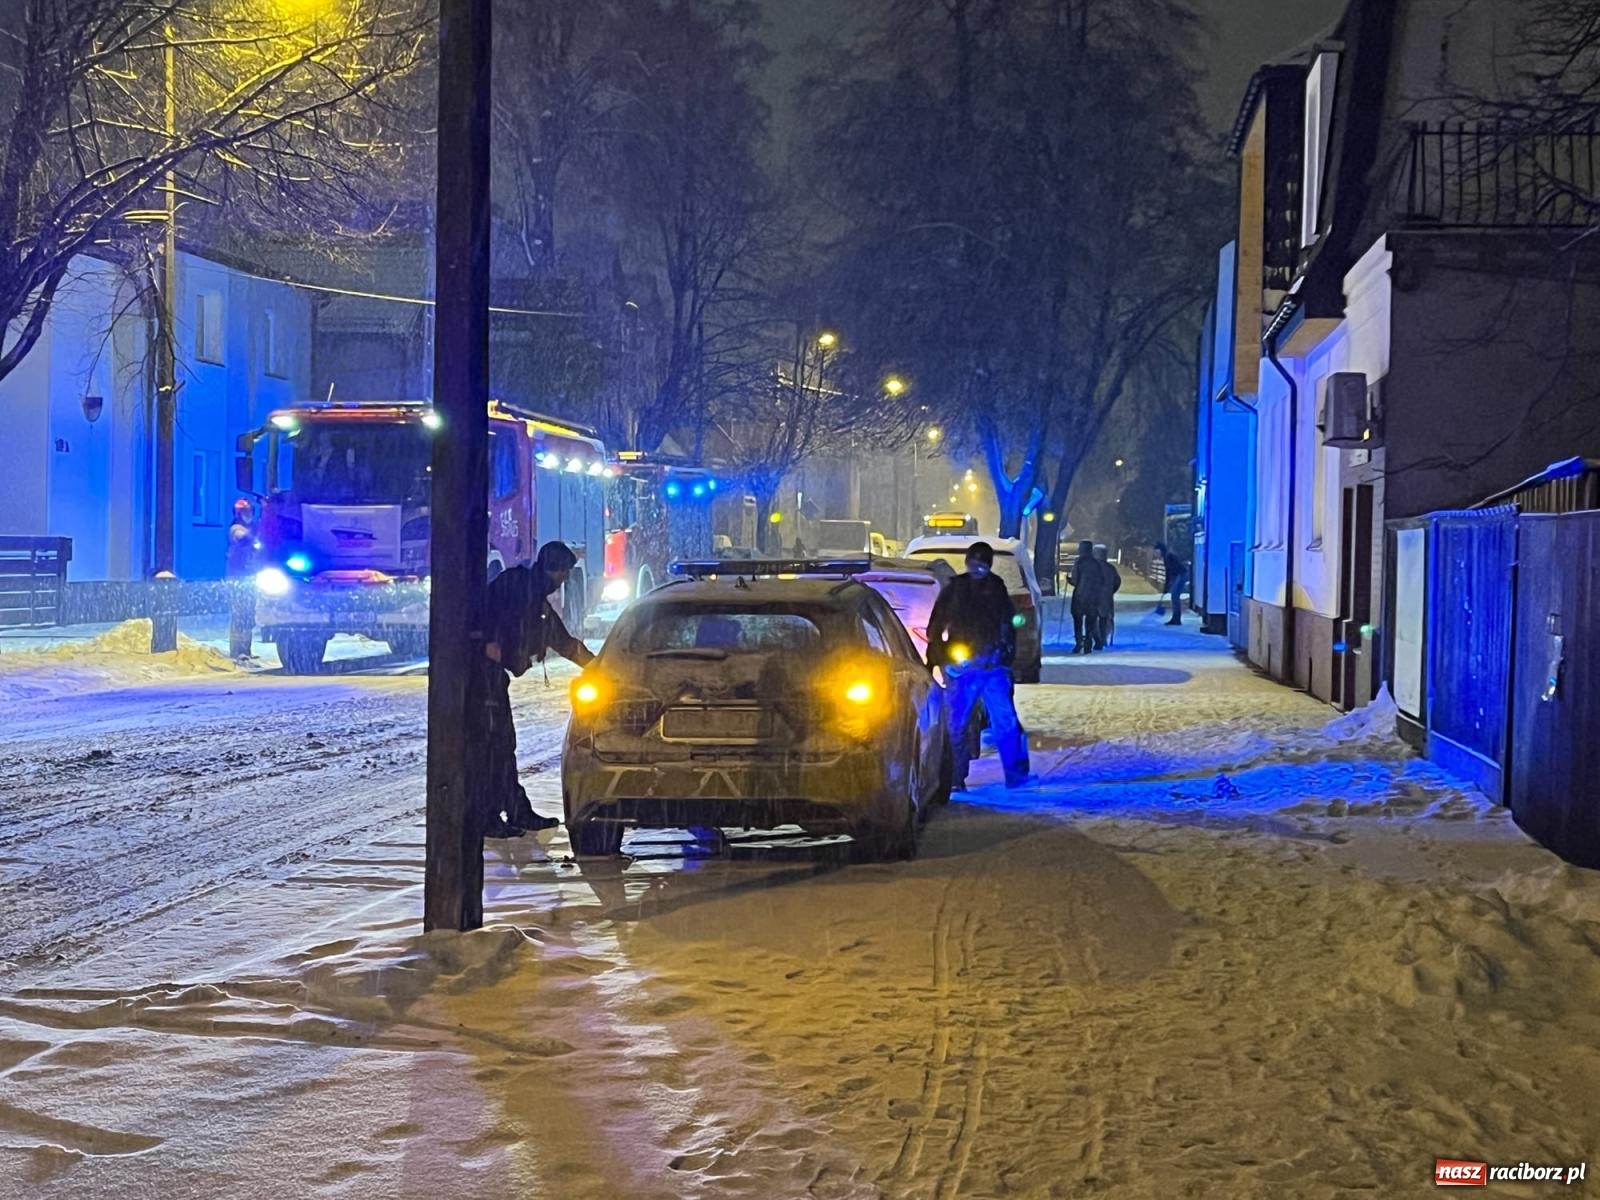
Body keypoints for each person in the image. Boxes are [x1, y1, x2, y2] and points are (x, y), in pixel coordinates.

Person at [480, 541, 596, 838]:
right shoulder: (518, 586)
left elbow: (565, 643)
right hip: (481, 677)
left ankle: (515, 810)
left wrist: (601, 668)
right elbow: (485, 612)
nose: (565, 581)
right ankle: (489, 815)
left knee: (502, 745)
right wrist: (487, 642)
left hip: (492, 676)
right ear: (553, 569)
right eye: (565, 574)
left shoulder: (535, 599)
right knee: (494, 747)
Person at [925, 542, 1032, 790]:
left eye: (982, 565)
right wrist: (939, 658)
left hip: (992, 667)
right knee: (955, 724)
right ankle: (954, 778)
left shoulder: (996, 588)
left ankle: (1016, 775)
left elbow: (1008, 624)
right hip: (964, 668)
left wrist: (1006, 658)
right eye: (974, 565)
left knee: (1005, 722)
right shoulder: (956, 589)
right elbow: (935, 627)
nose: (977, 570)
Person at [225, 499, 259, 661]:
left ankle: (246, 648)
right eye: (245, 512)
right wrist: (258, 532)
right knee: (239, 614)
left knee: (249, 614)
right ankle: (237, 650)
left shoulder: (251, 529)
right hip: (238, 578)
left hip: (251, 576)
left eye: (250, 512)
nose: (249, 515)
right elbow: (242, 539)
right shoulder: (236, 529)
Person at [1068, 539, 1104, 654]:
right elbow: (1101, 580)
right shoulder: (1096, 564)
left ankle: (1079, 643)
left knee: (1077, 621)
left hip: (1080, 596)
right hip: (1093, 597)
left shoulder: (1079, 563)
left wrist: (1069, 580)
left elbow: (1075, 580)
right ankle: (1088, 644)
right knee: (1090, 622)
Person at [1093, 544, 1121, 649]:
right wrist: (1110, 591)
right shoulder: (1111, 568)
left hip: (1094, 597)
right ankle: (1103, 638)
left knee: (1093, 618)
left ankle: (1096, 639)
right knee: (1104, 618)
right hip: (1106, 597)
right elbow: (1117, 582)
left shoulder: (1092, 567)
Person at [1156, 542, 1188, 626]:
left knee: (1174, 595)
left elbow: (1170, 572)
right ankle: (1176, 618)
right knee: (1174, 596)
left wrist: (1168, 586)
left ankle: (1176, 619)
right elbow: (1168, 574)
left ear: (1161, 550)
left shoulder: (1169, 556)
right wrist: (1166, 587)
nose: (1156, 554)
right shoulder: (1166, 557)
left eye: (1157, 552)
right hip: (1178, 575)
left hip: (1181, 574)